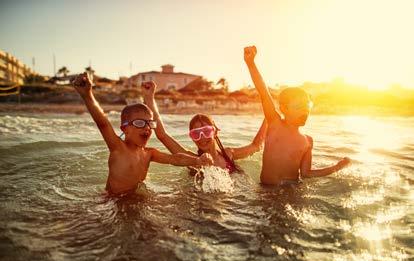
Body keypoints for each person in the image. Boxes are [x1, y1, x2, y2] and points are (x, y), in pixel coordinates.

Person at [72, 73, 213, 195]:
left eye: (149, 124)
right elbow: (103, 123)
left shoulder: (149, 153)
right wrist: (87, 95)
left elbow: (175, 159)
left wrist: (197, 161)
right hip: (113, 200)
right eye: (139, 123)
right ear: (124, 129)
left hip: (135, 196)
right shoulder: (118, 148)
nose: (147, 128)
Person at [243, 46, 350, 185]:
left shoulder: (307, 141)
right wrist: (250, 63)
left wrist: (336, 167)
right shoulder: (275, 123)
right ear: (284, 109)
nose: (305, 111)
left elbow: (306, 174)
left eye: (307, 107)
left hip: (292, 193)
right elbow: (263, 92)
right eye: (299, 107)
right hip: (266, 192)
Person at [142, 81, 267, 173]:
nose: (202, 138)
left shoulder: (228, 154)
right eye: (196, 134)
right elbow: (162, 135)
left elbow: (255, 146)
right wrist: (149, 98)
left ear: (215, 132)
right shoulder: (192, 160)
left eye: (206, 131)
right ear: (192, 138)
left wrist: (269, 117)